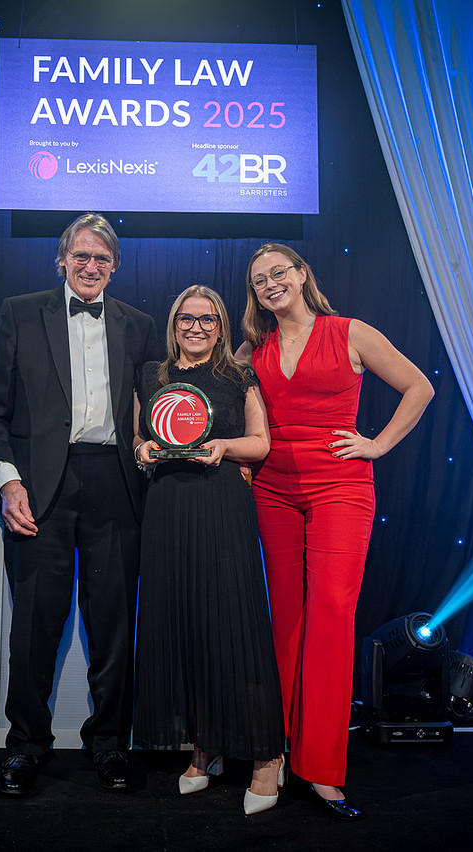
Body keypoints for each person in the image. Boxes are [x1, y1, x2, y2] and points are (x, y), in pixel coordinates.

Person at [238, 243, 433, 821]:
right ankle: (271, 753)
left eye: (279, 272)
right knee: (283, 621)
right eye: (259, 280)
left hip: (340, 488)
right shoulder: (252, 348)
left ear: (302, 275)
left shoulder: (348, 332)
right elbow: (215, 393)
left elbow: (419, 386)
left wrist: (377, 444)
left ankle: (321, 767)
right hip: (272, 489)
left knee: (329, 616)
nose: (271, 284)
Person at [0, 213, 157, 796]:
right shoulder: (20, 313)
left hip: (116, 484)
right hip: (38, 487)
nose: (90, 266)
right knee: (34, 624)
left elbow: (159, 407)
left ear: (115, 266)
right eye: (81, 256)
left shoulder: (139, 325)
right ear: (61, 260)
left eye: (102, 258)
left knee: (113, 626)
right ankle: (26, 745)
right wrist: (8, 481)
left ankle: (110, 743)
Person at [132, 285, 285, 815]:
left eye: (207, 319)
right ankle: (205, 747)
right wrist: (143, 451)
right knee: (184, 626)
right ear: (173, 323)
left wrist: (223, 446)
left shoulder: (238, 374)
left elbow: (261, 442)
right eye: (186, 318)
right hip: (167, 509)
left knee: (234, 625)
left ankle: (266, 757)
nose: (195, 328)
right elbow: (138, 439)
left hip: (221, 505)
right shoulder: (150, 374)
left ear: (220, 327)